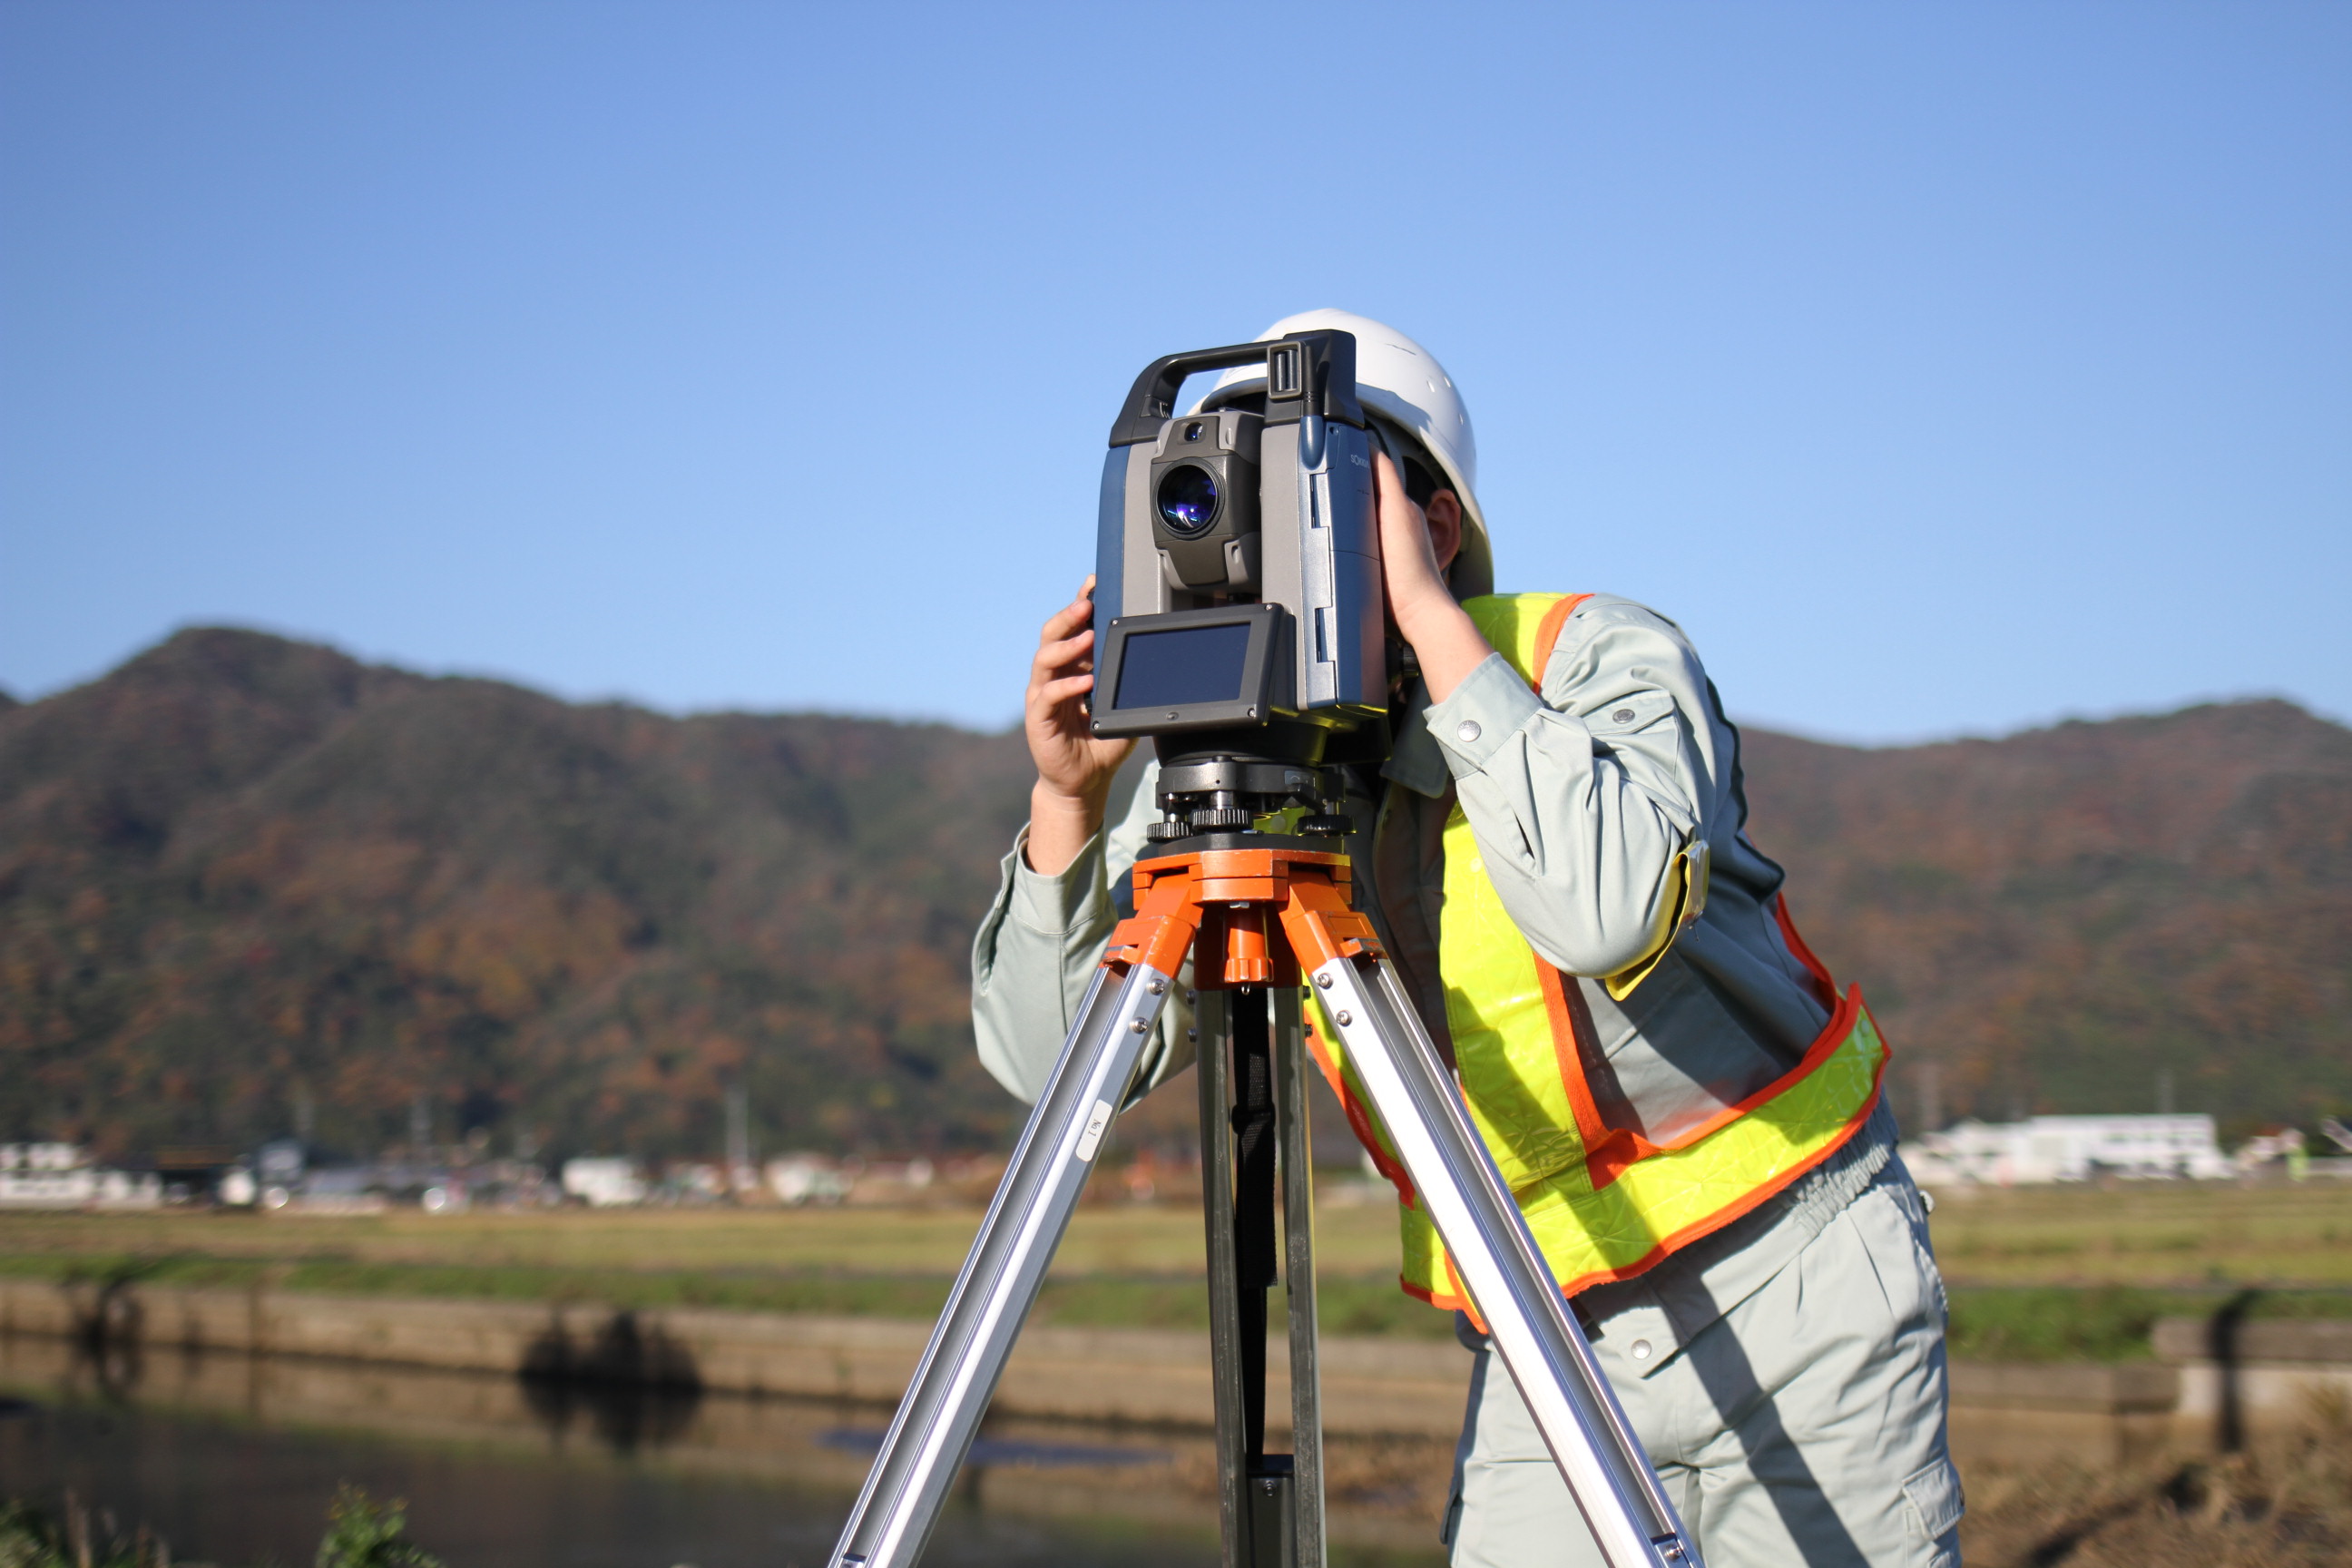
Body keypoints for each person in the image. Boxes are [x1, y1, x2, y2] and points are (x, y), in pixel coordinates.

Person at [971, 309, 1961, 1568]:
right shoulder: (1240, 779)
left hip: (1794, 1273)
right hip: (1540, 1321)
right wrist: (1068, 805)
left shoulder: (1591, 658)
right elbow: (1054, 1075)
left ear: (1433, 522)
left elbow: (1602, 909)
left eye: (1314, 490)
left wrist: (1430, 626)